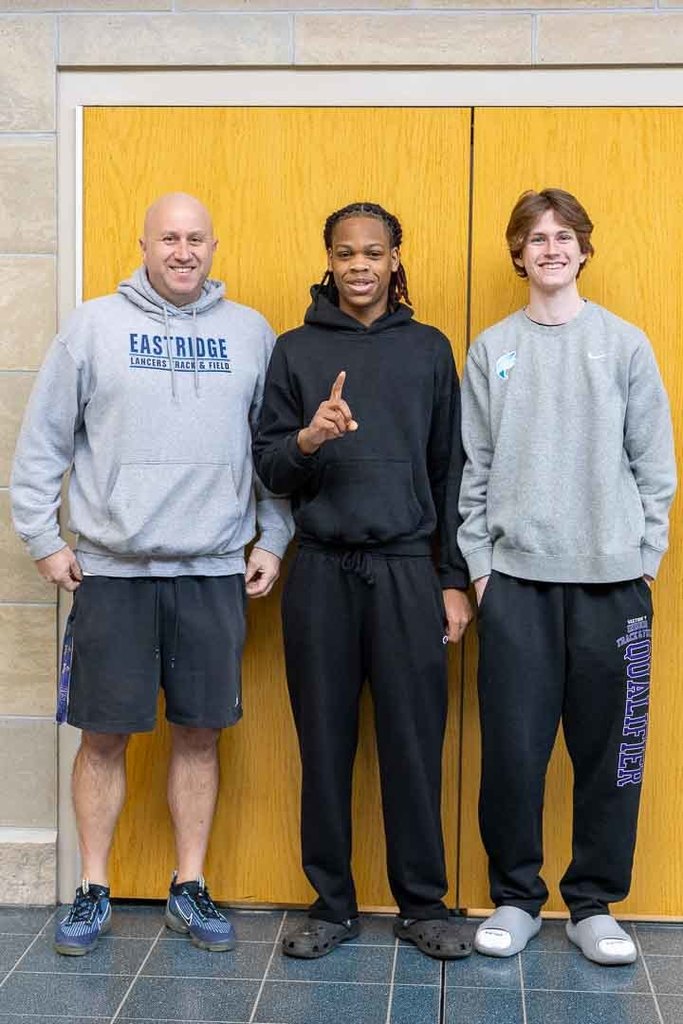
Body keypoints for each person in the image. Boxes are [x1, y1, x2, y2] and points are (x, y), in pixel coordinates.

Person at [10, 192, 293, 956]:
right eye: (168, 237)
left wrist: (272, 537)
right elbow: (42, 446)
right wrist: (42, 537)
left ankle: (188, 886)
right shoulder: (94, 327)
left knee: (199, 735)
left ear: (214, 246)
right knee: (103, 737)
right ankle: (93, 888)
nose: (182, 250)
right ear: (142, 244)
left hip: (213, 571)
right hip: (113, 572)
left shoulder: (250, 333)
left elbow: (272, 453)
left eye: (196, 238)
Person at [458, 188, 676, 965]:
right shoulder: (491, 349)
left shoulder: (623, 345)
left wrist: (642, 559)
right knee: (512, 753)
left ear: (584, 249)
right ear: (516, 253)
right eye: (534, 237)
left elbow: (656, 468)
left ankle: (592, 904)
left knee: (611, 751)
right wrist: (482, 571)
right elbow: (473, 474)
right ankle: (516, 897)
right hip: (515, 584)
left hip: (613, 589)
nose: (549, 248)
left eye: (563, 236)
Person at [254, 201, 473, 961]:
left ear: (393, 259)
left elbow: (451, 473)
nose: (358, 266)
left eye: (372, 253)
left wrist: (452, 579)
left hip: (409, 571)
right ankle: (331, 904)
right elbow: (271, 466)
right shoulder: (294, 351)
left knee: (414, 742)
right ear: (328, 259)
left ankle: (423, 904)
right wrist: (310, 437)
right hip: (320, 574)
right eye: (344, 253)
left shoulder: (428, 350)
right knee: (324, 741)